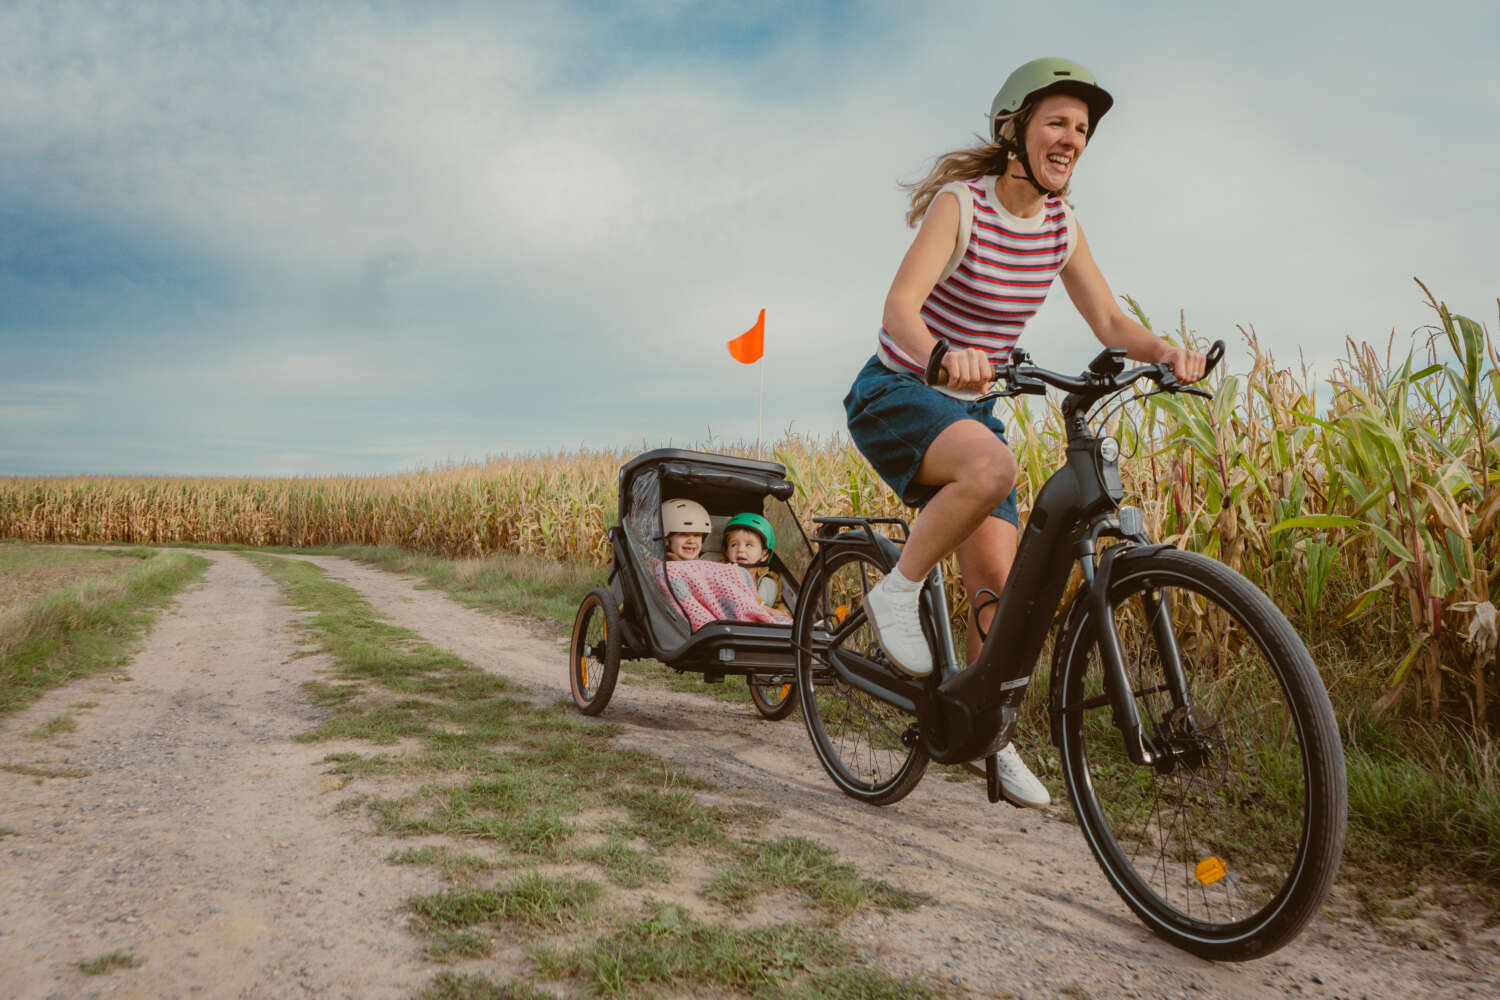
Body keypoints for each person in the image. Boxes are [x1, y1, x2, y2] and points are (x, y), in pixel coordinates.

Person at [843, 57, 1208, 808]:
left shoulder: (1060, 227)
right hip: (897, 391)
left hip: (970, 413)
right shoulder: (963, 206)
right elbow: (899, 309)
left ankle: (989, 736)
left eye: (1083, 129)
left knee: (1000, 598)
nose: (1072, 138)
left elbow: (1109, 321)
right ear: (1014, 130)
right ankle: (896, 592)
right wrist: (942, 354)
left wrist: (1164, 350)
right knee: (994, 467)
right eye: (1057, 123)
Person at [723, 512, 788, 613]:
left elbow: (778, 606)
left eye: (749, 545)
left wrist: (783, 613)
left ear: (764, 554)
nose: (740, 550)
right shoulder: (722, 572)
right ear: (727, 551)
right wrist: (767, 610)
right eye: (734, 545)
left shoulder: (771, 579)